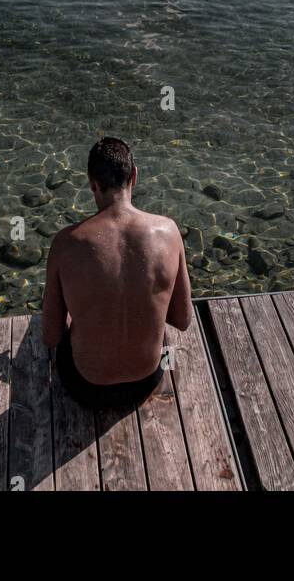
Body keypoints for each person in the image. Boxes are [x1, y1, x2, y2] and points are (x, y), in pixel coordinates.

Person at [42, 136, 193, 410]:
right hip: (146, 380)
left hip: (86, 386)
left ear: (92, 182)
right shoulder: (169, 232)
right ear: (134, 176)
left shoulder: (66, 243)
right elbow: (182, 320)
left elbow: (51, 336)